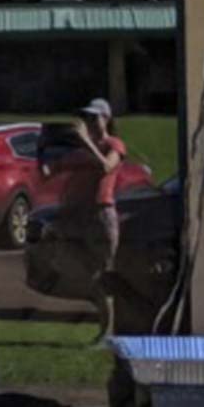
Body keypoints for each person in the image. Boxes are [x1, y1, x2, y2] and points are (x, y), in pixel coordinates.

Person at [70, 97, 128, 338]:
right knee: (92, 276)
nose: (91, 123)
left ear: (106, 119)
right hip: (87, 213)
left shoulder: (115, 144)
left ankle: (109, 332)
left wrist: (86, 141)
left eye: (95, 118)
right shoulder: (88, 147)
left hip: (104, 212)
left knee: (105, 274)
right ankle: (105, 329)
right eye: (87, 118)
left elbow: (107, 166)